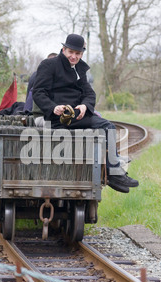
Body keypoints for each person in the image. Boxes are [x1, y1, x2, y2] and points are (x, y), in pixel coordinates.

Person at [32, 33, 138, 193]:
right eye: (71, 52)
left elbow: (90, 94)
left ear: (82, 53)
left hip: (79, 115)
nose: (74, 57)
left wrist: (84, 107)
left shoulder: (80, 69)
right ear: (63, 50)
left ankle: (114, 173)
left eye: (78, 53)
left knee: (108, 127)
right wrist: (53, 107)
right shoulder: (49, 65)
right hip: (58, 118)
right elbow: (39, 92)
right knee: (67, 145)